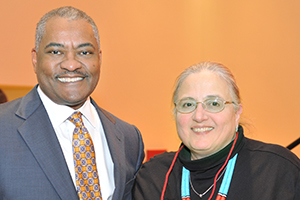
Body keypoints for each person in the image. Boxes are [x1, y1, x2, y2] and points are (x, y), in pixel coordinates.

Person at [0, 6, 144, 200]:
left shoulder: (129, 139)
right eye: (56, 52)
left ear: (99, 58)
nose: (71, 64)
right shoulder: (3, 128)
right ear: (35, 58)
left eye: (84, 52)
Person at [133, 62, 300, 200]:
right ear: (176, 114)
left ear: (236, 113)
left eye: (214, 104)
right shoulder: (153, 177)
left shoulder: (279, 170)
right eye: (188, 104)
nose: (199, 116)